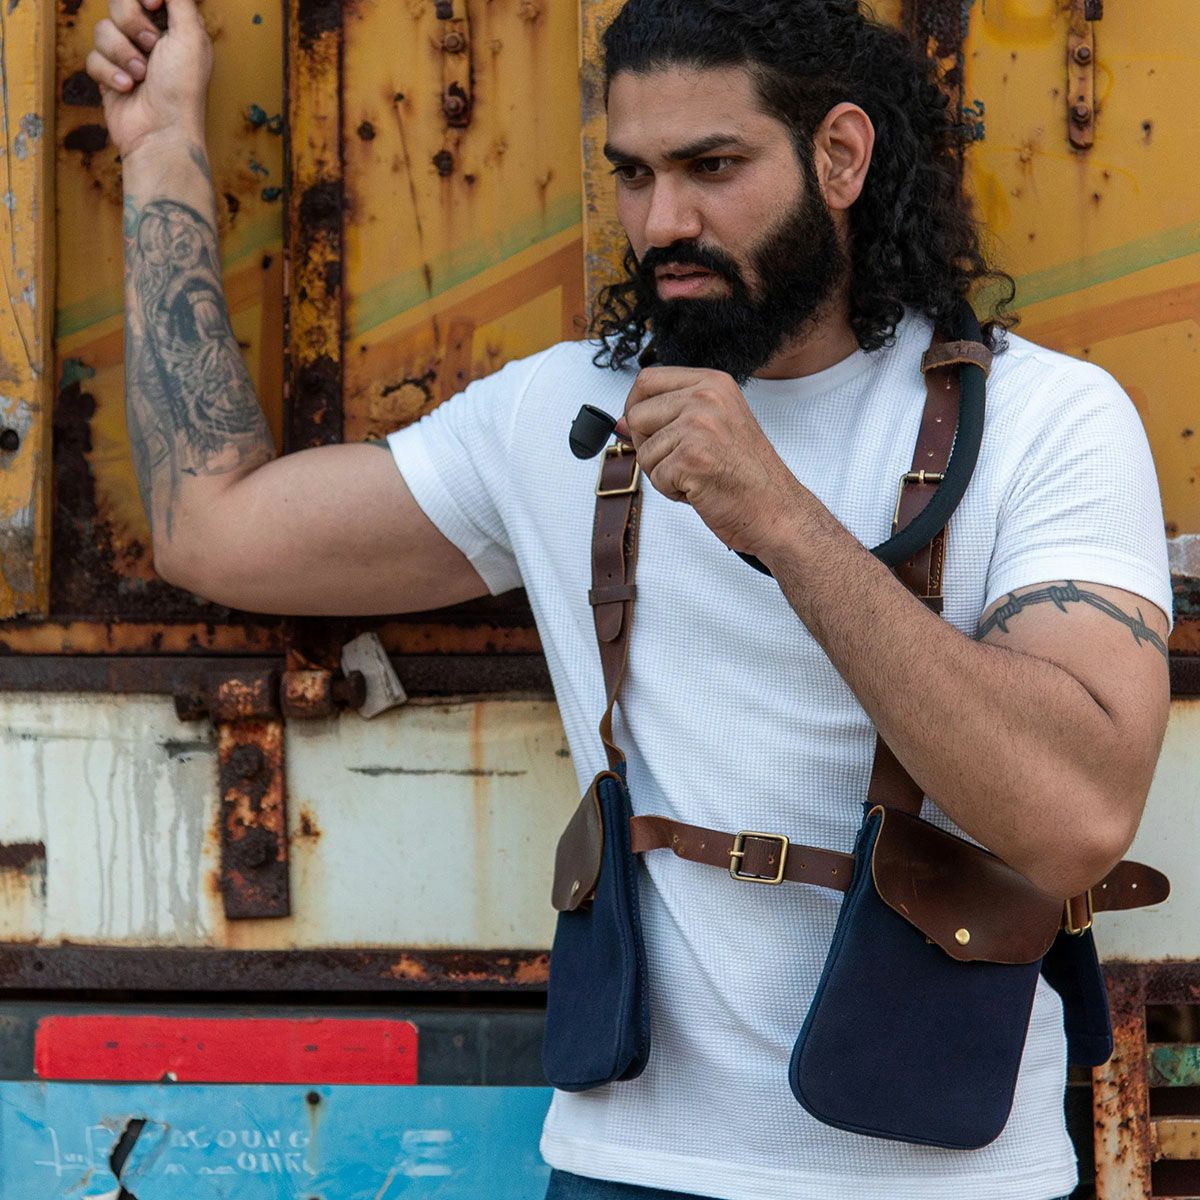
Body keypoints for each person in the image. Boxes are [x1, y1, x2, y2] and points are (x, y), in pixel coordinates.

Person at [88, 0, 1171, 1197]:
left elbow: (1073, 818)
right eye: (636, 174)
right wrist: (160, 145)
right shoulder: (561, 416)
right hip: (622, 1168)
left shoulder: (1045, 421)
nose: (663, 224)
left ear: (840, 157)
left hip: (950, 1180)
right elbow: (214, 531)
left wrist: (780, 516)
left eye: (714, 167)